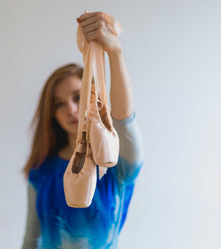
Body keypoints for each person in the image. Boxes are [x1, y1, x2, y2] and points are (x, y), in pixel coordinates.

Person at [22, 11, 144, 249]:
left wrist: (115, 53)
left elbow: (124, 122)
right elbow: (31, 238)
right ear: (52, 114)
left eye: (78, 97)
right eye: (59, 104)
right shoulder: (41, 171)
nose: (70, 108)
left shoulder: (116, 167)